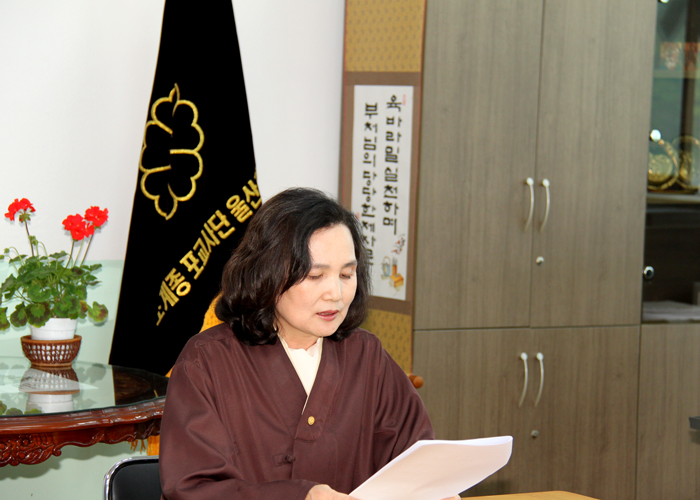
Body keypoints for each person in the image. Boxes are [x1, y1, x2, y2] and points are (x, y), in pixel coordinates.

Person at [159, 187, 434, 500]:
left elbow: (416, 456)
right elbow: (193, 490)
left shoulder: (366, 355)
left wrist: (432, 488)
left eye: (347, 274)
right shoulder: (206, 362)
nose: (336, 294)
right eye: (315, 277)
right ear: (267, 273)